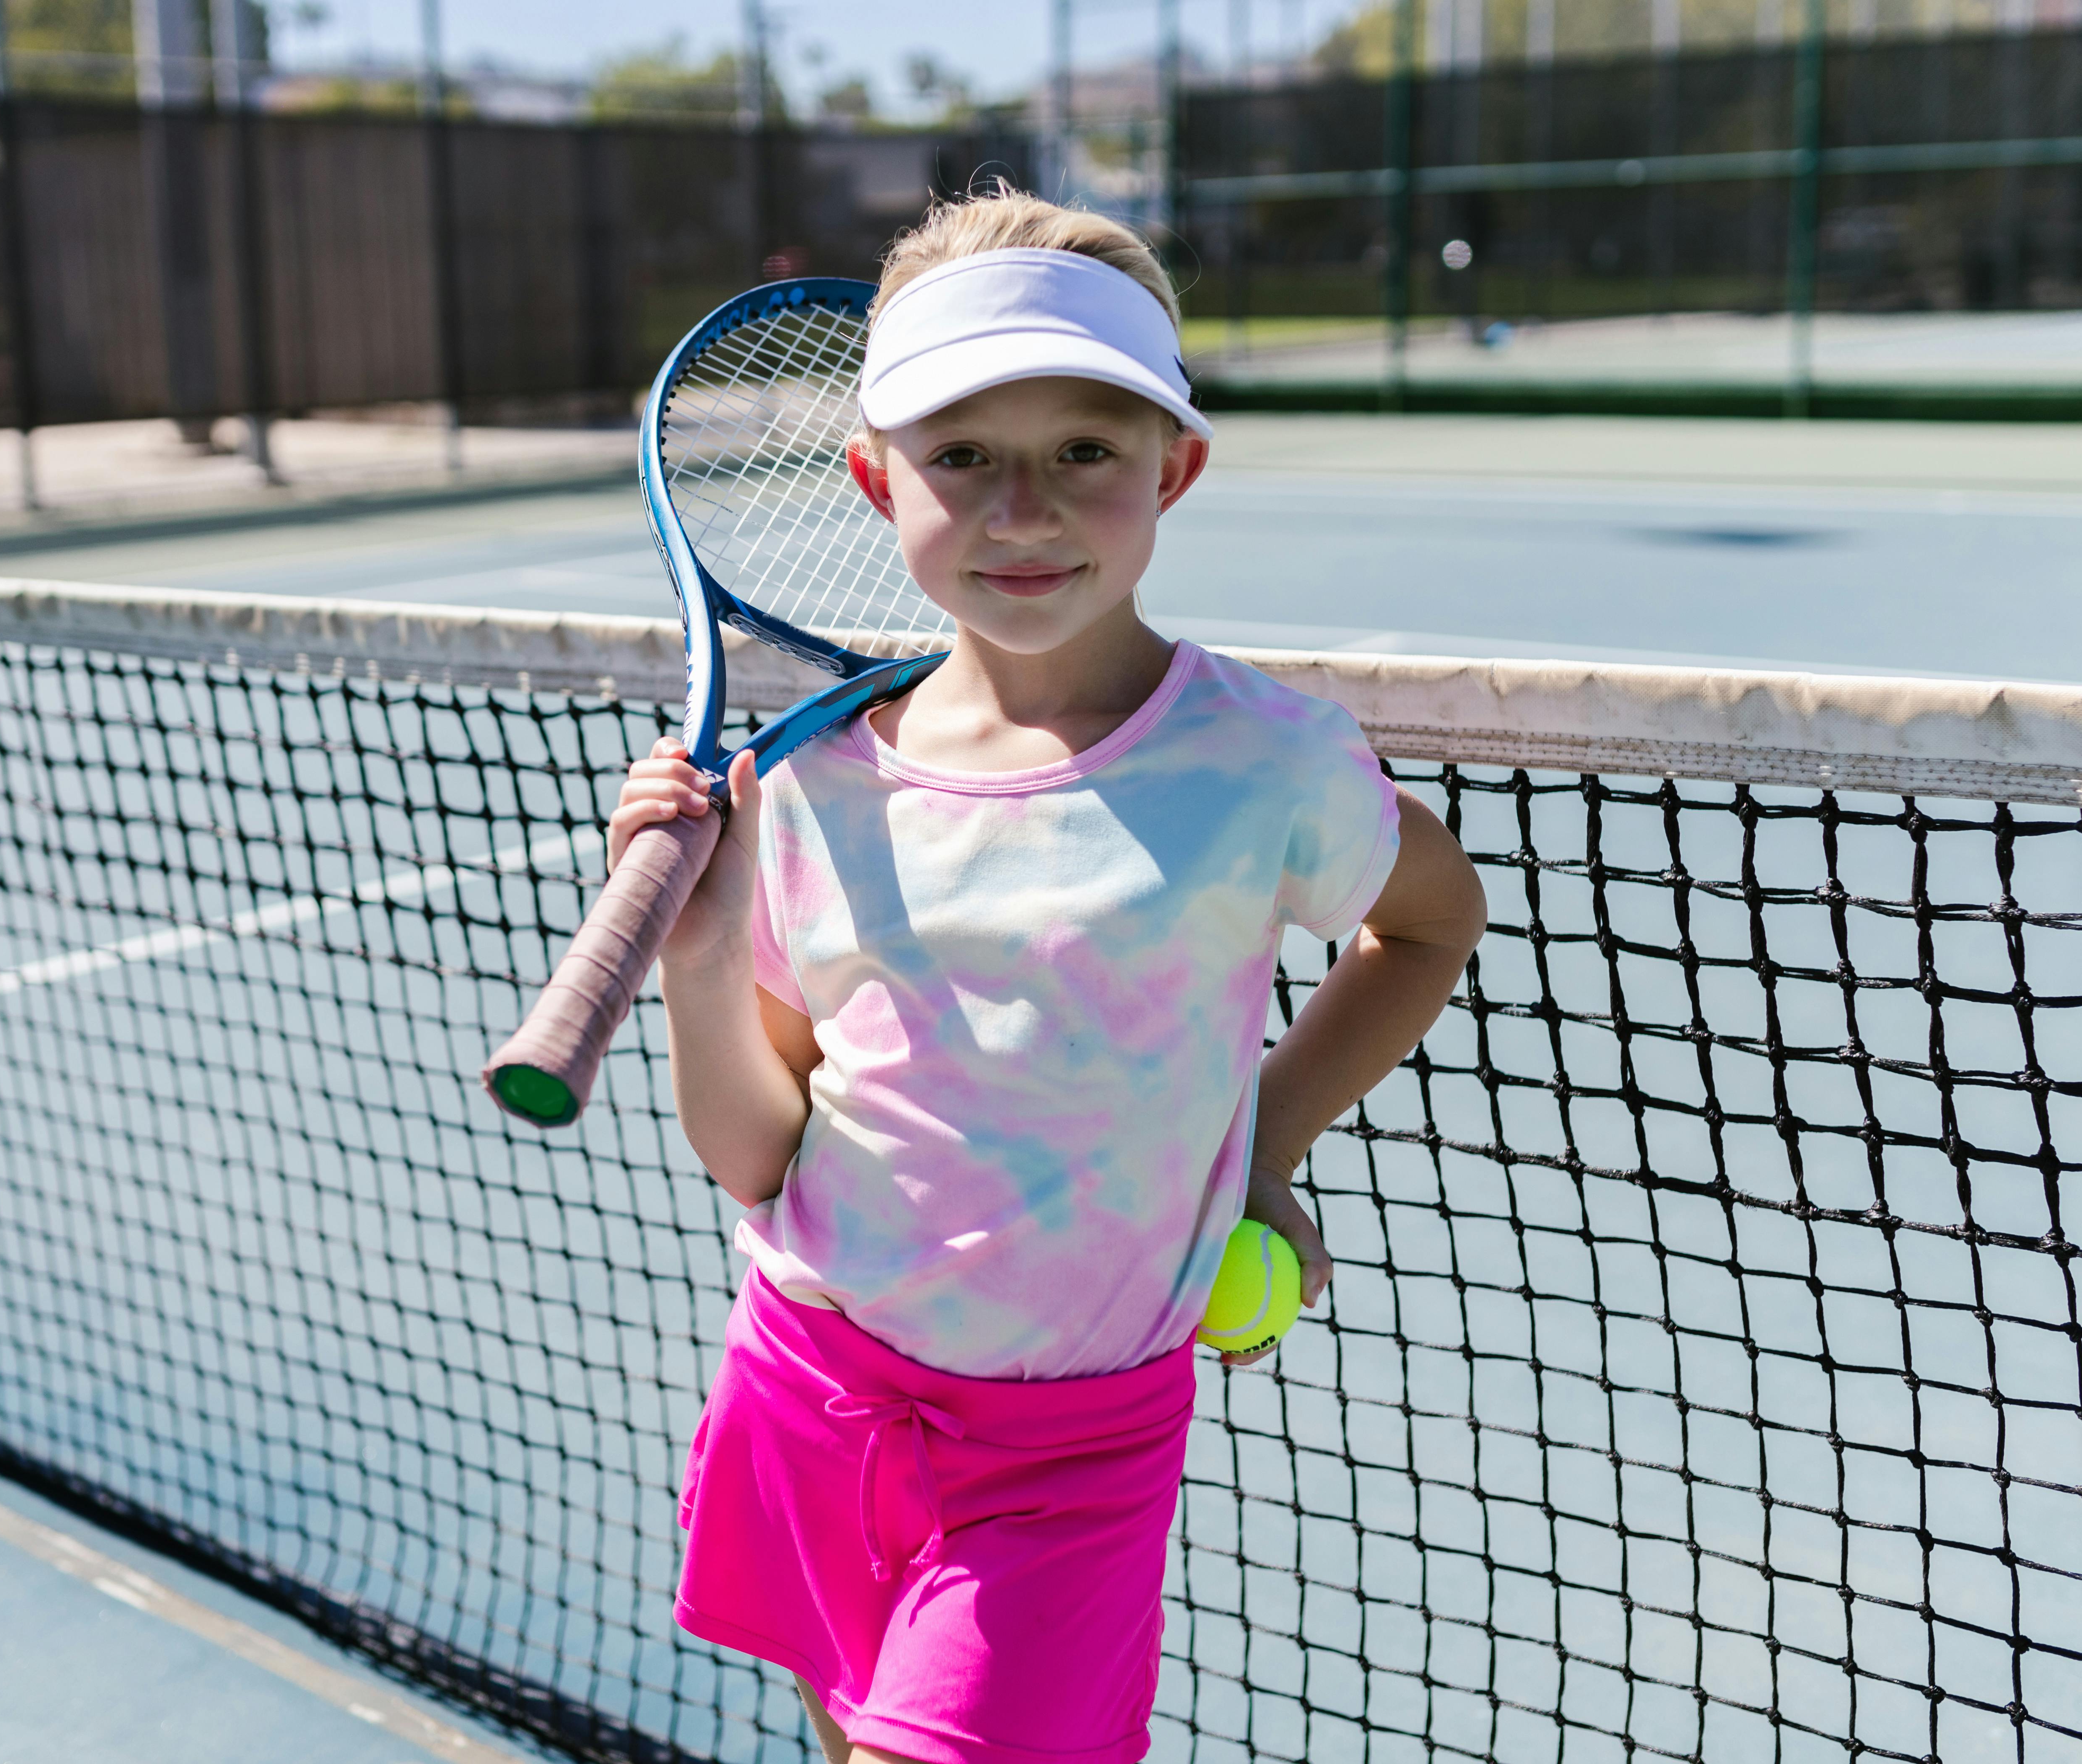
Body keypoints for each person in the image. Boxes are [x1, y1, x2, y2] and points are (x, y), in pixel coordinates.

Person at [614, 191, 1488, 1764]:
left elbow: (1426, 921)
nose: (1023, 508)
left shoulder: (1267, 763)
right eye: (962, 457)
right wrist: (693, 958)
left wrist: (1261, 1142)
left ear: (1176, 471)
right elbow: (758, 1149)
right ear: (880, 481)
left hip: (1070, 1452)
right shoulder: (806, 787)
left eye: (1085, 451)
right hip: (813, 1386)